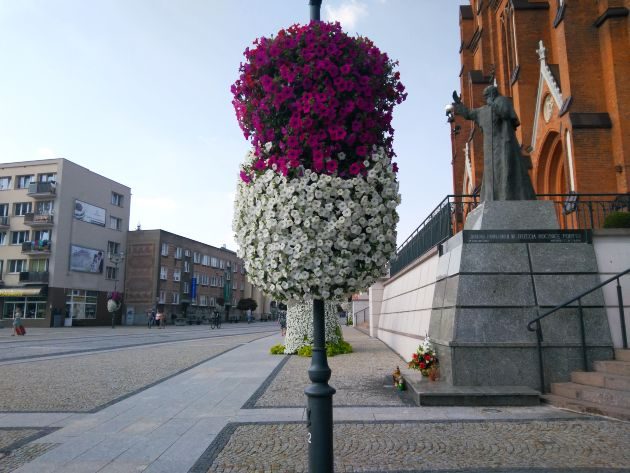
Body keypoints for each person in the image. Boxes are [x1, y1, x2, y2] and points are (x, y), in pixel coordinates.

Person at [453, 85, 536, 202]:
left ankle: (508, 197)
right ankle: (493, 199)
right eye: (485, 96)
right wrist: (459, 104)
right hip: (489, 150)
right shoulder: (483, 111)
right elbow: (469, 114)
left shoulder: (502, 101)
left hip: (504, 144)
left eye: (487, 95)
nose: (486, 98)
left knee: (507, 170)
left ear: (493, 94)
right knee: (491, 176)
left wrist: (492, 103)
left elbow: (506, 113)